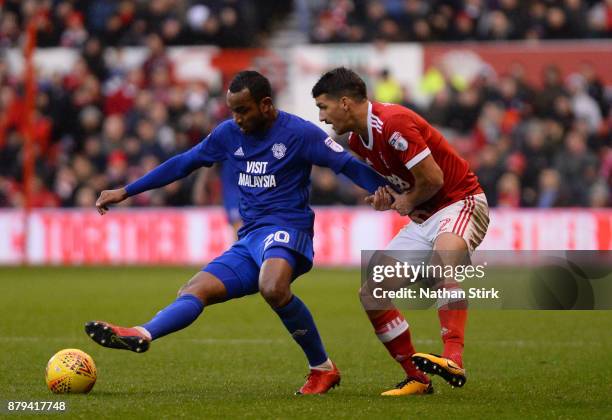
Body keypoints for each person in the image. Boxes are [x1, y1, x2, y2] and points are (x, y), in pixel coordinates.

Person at [86, 70, 388, 395]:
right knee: (195, 288)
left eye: (243, 110)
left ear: (266, 105)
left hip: (288, 229)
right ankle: (142, 333)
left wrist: (388, 192)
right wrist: (128, 191)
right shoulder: (227, 134)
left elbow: (348, 165)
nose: (237, 119)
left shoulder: (300, 133)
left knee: (272, 286)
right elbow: (183, 163)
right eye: (232, 111)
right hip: (250, 239)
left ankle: (318, 366)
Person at [312, 67, 489, 396]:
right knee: (371, 292)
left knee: (442, 265)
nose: (322, 117)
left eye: (324, 106)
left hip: (459, 203)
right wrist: (388, 197)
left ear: (346, 103)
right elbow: (403, 183)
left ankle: (453, 357)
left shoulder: (393, 122)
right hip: (423, 220)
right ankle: (417, 378)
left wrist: (406, 199)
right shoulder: (357, 142)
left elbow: (434, 179)